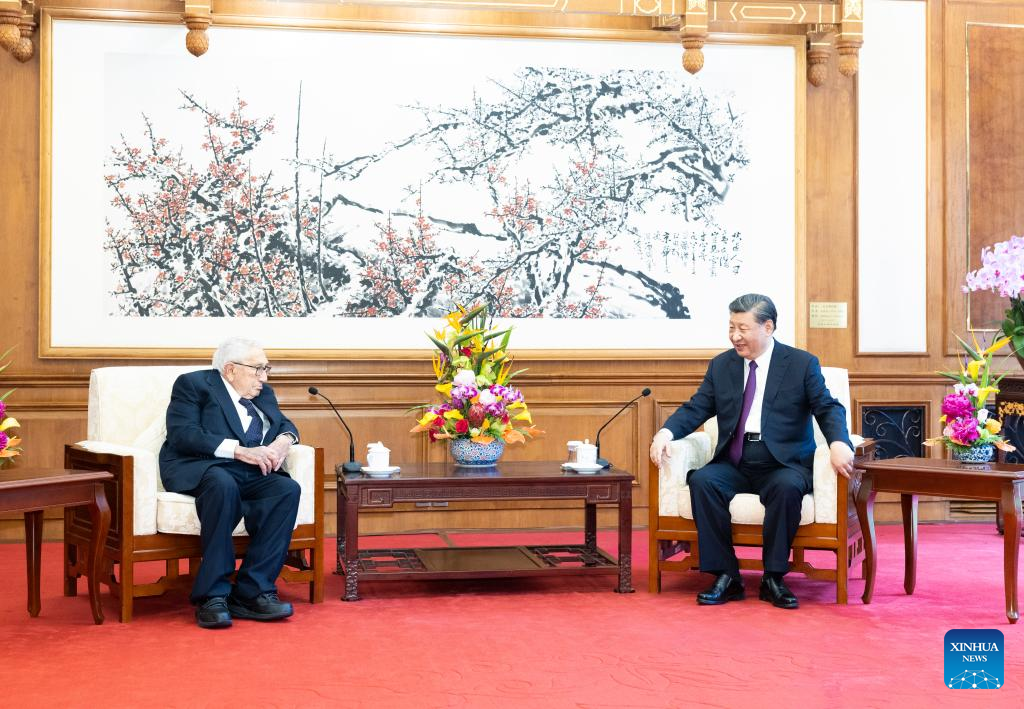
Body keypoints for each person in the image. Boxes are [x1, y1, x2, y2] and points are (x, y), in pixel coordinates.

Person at [649, 294, 854, 609]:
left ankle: (774, 577)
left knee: (786, 488)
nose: (734, 336)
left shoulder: (801, 364)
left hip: (782, 463)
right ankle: (727, 576)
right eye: (731, 327)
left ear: (768, 326)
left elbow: (827, 407)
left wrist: (839, 442)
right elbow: (697, 407)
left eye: (742, 328)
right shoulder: (722, 365)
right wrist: (665, 432)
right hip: (737, 460)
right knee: (703, 482)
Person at [160, 337, 301, 629]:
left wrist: (283, 442)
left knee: (286, 489)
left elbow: (285, 423)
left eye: (267, 369)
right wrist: (239, 450)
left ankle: (253, 590)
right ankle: (212, 595)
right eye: (258, 369)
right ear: (230, 370)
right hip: (203, 466)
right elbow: (183, 434)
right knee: (222, 484)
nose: (264, 377)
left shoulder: (263, 392)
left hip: (248, 471)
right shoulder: (194, 385)